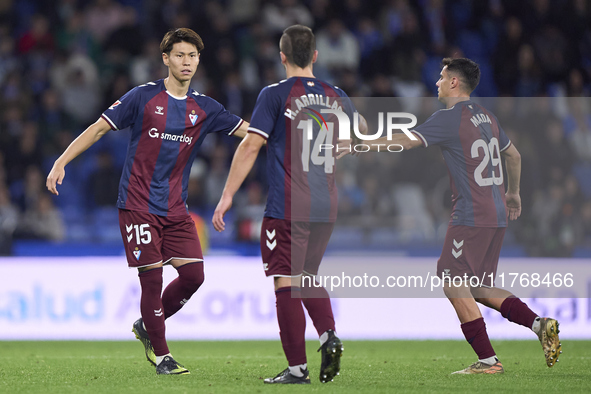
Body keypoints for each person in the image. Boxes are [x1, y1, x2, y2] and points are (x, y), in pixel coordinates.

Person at [46, 28, 249, 375]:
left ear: (199, 61)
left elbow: (252, 132)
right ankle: (162, 355)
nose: (186, 62)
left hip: (175, 208)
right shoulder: (142, 97)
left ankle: (147, 325)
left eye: (192, 56)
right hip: (137, 204)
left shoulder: (206, 107)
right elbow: (98, 128)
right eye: (180, 55)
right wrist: (61, 161)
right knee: (151, 280)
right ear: (166, 59)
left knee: (194, 276)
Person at [340, 57, 561, 374]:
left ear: (455, 83)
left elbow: (406, 140)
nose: (437, 83)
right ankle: (541, 325)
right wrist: (513, 193)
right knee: (479, 289)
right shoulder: (486, 117)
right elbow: (514, 154)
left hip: (471, 212)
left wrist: (362, 144)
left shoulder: (449, 118)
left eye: (442, 78)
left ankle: (488, 361)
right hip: (496, 210)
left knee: (451, 280)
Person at [212, 24, 362, 384]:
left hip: (288, 205)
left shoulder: (275, 94)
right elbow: (358, 135)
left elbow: (250, 145)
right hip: (326, 205)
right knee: (306, 277)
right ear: (315, 56)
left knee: (285, 283)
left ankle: (297, 368)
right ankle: (328, 335)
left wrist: (228, 194)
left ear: (281, 57)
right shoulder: (336, 93)